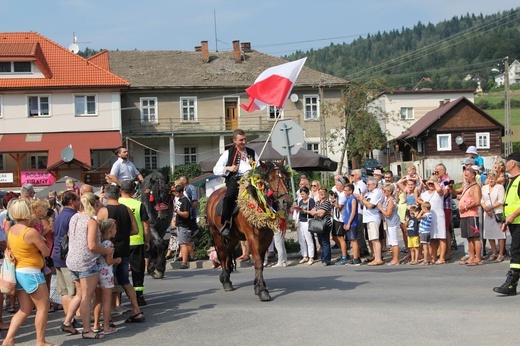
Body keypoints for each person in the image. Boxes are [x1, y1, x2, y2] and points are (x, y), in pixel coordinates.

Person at [3, 199, 54, 346]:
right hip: (31, 272)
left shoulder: (12, 230)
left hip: (19, 271)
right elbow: (45, 252)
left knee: (24, 309)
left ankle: (9, 339)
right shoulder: (30, 232)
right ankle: (40, 341)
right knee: (42, 307)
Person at [65, 192, 113, 340]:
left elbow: (69, 235)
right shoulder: (91, 221)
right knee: (87, 296)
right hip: (86, 262)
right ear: (94, 205)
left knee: (79, 294)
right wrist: (105, 250)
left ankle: (67, 322)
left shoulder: (74, 217)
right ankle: (87, 330)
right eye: (99, 205)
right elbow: (92, 245)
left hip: (72, 260)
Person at [97, 185, 145, 322]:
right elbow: (135, 230)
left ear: (106, 196)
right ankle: (136, 309)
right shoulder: (127, 209)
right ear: (118, 194)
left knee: (106, 283)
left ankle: (107, 316)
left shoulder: (104, 211)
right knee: (124, 280)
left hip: (109, 250)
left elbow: (98, 232)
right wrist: (123, 234)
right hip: (124, 249)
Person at [213, 129, 259, 236]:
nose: (244, 142)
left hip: (252, 180)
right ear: (234, 140)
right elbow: (216, 169)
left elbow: (259, 167)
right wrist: (229, 168)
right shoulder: (228, 153)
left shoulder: (252, 152)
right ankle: (226, 222)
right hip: (237, 180)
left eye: (245, 139)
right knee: (229, 197)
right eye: (241, 140)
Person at [52, 191, 82, 334]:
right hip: (67, 256)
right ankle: (70, 320)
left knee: (64, 291)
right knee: (72, 291)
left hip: (57, 254)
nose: (79, 202)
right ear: (71, 201)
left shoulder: (59, 215)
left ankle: (68, 318)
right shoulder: (72, 216)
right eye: (77, 200)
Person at [119, 180, 151, 306]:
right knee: (138, 270)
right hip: (137, 241)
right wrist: (147, 239)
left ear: (120, 190)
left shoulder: (116, 203)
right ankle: (139, 296)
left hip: (120, 242)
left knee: (120, 270)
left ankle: (118, 298)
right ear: (133, 191)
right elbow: (146, 225)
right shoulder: (138, 205)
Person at [494, 153, 520, 295]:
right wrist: (506, 220)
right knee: (516, 252)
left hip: (518, 221)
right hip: (513, 222)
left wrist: (512, 216)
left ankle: (511, 284)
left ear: (513, 164)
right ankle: (512, 283)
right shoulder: (511, 180)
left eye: (507, 161)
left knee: (516, 252)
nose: (505, 164)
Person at [450, 167, 483, 266]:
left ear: (473, 176)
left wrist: (466, 207)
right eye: (464, 175)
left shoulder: (475, 187)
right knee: (469, 237)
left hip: (471, 215)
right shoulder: (466, 186)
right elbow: (455, 193)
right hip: (464, 215)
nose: (465, 177)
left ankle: (478, 258)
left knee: (475, 237)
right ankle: (471, 257)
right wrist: (451, 188)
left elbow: (477, 201)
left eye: (467, 175)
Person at [93, 219, 120, 335]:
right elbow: (109, 261)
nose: (116, 231)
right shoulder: (109, 244)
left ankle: (95, 324)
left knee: (98, 299)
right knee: (107, 300)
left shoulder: (99, 243)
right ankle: (106, 326)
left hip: (97, 272)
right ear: (110, 231)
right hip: (106, 273)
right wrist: (117, 260)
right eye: (115, 229)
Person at [417, 177, 447, 264]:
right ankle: (433, 257)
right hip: (429, 217)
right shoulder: (425, 194)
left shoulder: (439, 192)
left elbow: (439, 189)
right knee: (432, 238)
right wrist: (423, 203)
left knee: (441, 237)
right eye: (429, 183)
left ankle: (441, 257)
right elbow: (418, 199)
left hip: (439, 215)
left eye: (432, 183)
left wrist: (434, 181)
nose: (431, 185)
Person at [355, 177, 384, 266]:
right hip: (368, 218)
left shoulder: (377, 192)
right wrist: (362, 199)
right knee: (372, 239)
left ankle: (378, 258)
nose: (367, 186)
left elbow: (371, 205)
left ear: (374, 185)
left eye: (369, 184)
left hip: (373, 217)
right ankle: (375, 257)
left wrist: (362, 199)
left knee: (375, 239)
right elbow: (365, 204)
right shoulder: (370, 193)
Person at [481, 172, 506, 263]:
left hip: (497, 212)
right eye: (489, 178)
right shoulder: (484, 188)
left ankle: (501, 254)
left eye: (493, 178)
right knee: (489, 233)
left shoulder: (500, 187)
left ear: (496, 179)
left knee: (500, 234)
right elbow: (482, 200)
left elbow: (501, 201)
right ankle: (494, 252)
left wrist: (491, 208)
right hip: (487, 213)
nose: (491, 180)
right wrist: (486, 209)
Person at [171, 184, 194, 269]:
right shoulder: (179, 200)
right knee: (186, 240)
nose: (175, 195)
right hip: (179, 224)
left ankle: (184, 262)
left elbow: (186, 214)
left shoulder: (185, 201)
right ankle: (192, 255)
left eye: (177, 193)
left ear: (181, 192)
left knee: (182, 244)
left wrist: (177, 211)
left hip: (183, 224)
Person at [435, 163, 455, 259]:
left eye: (437, 171)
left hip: (445, 206)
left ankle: (448, 251)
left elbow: (445, 193)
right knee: (441, 229)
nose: (435, 173)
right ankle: (442, 249)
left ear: (443, 171)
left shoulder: (447, 180)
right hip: (438, 207)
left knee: (446, 229)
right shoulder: (439, 180)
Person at [377, 183, 401, 265]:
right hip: (388, 222)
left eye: (385, 190)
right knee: (391, 241)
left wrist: (380, 208)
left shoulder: (391, 201)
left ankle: (396, 259)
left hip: (392, 222)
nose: (383, 192)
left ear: (390, 191)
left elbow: (388, 214)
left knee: (394, 241)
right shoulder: (387, 199)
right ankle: (394, 258)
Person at [308, 187, 332, 266]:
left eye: (323, 192)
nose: (321, 193)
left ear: (326, 193)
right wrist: (315, 212)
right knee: (321, 242)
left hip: (325, 224)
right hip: (318, 225)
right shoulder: (318, 202)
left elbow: (321, 214)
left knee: (325, 242)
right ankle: (323, 258)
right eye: (320, 192)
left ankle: (327, 260)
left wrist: (316, 212)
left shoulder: (327, 202)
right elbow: (312, 211)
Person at [350, 169, 370, 257]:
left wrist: (350, 192)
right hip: (354, 210)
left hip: (360, 210)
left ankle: (363, 249)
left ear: (358, 176)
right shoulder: (354, 185)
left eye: (353, 175)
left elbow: (359, 196)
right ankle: (361, 248)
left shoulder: (361, 185)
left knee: (359, 231)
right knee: (356, 231)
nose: (351, 177)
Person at [330, 178, 349, 265]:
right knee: (334, 236)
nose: (336, 187)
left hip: (341, 218)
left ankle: (344, 257)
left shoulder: (342, 195)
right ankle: (344, 253)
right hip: (336, 218)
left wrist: (334, 203)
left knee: (341, 238)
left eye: (337, 185)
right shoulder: (339, 194)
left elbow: (340, 208)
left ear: (342, 186)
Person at [342, 183, 361, 266]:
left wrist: (349, 223)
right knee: (352, 240)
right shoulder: (348, 198)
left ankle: (356, 258)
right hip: (348, 221)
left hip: (353, 222)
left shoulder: (353, 199)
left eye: (346, 190)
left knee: (354, 240)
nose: (345, 192)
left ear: (351, 191)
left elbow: (353, 212)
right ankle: (357, 257)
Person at [296, 187, 316, 265]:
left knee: (309, 239)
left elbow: (313, 212)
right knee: (301, 239)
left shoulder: (310, 200)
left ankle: (311, 257)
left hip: (307, 221)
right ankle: (304, 255)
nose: (302, 195)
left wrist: (304, 211)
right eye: (301, 194)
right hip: (300, 221)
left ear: (307, 193)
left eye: (303, 194)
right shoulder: (300, 201)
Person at [417, 202, 433, 266]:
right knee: (428, 246)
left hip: (424, 232)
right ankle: (429, 258)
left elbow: (418, 217)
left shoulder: (426, 215)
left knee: (425, 247)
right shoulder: (430, 214)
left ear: (425, 208)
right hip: (428, 231)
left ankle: (425, 260)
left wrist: (421, 212)